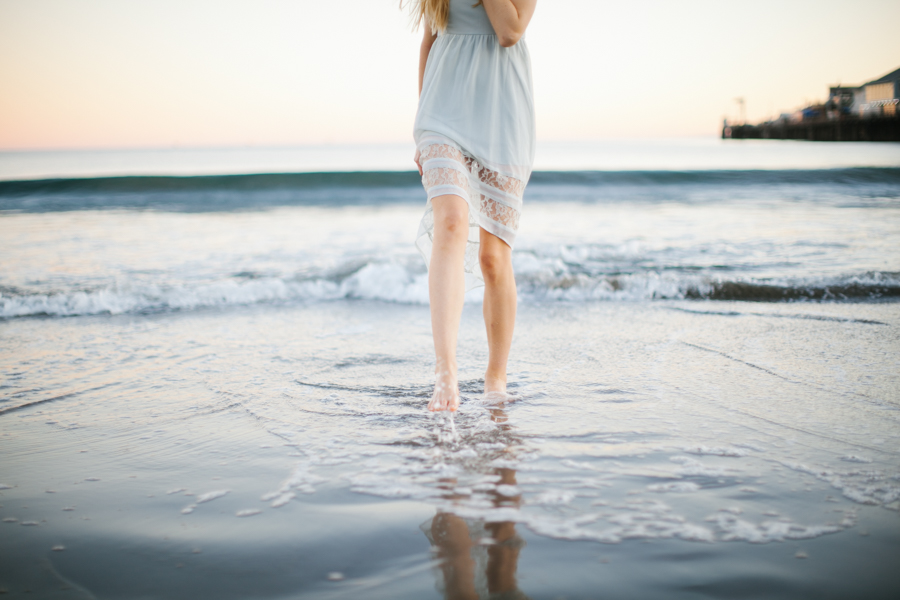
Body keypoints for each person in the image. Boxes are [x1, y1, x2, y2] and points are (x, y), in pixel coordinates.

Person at [405, 0, 537, 412]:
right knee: (451, 220)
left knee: (493, 258)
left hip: (501, 116)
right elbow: (429, 40)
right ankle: (446, 373)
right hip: (442, 115)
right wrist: (422, 123)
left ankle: (496, 377)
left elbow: (509, 30)